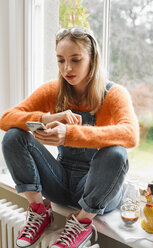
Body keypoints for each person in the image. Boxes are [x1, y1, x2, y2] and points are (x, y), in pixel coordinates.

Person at [0, 26, 139, 248]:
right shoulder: (53, 91)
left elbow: (130, 135)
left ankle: (82, 222)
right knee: (14, 135)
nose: (67, 68)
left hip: (99, 191)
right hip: (60, 183)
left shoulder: (114, 94)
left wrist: (71, 134)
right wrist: (47, 118)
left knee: (116, 152)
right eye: (60, 60)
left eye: (75, 60)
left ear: (92, 59)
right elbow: (5, 118)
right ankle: (39, 211)